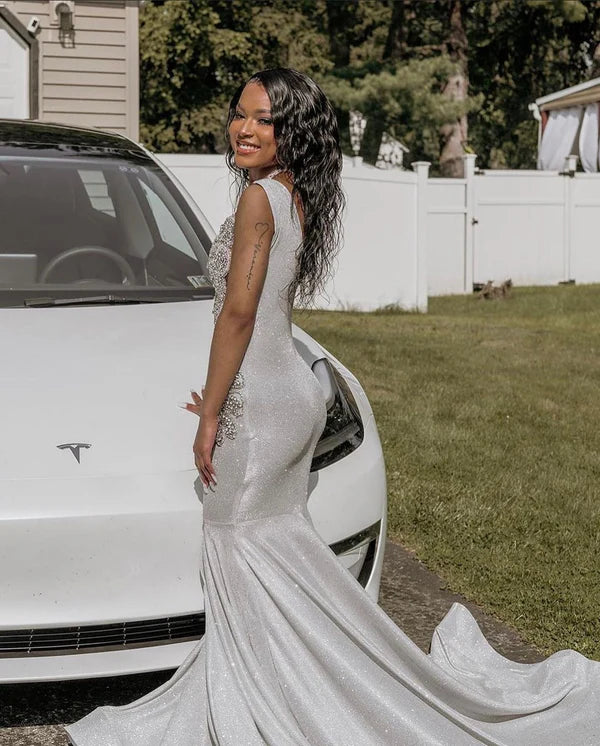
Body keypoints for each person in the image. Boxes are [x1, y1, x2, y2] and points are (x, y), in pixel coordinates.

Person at [66, 68, 600, 746]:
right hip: (289, 393)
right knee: (277, 556)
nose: (244, 129)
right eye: (239, 114)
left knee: (237, 548)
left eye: (264, 119)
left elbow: (238, 314)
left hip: (261, 406)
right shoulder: (293, 194)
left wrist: (213, 413)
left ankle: (272, 695)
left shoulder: (259, 197)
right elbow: (265, 316)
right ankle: (295, 679)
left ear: (292, 132)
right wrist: (224, 393)